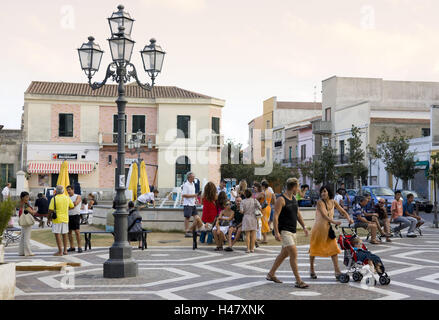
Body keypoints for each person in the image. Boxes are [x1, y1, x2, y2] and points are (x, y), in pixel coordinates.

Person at [266, 178, 309, 289]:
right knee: (294, 254)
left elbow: (298, 214)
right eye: (298, 187)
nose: (299, 189)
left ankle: (271, 274)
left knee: (284, 254)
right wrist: (276, 232)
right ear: (294, 187)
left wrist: (304, 227)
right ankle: (298, 281)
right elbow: (275, 217)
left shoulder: (294, 198)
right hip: (285, 231)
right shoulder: (281, 199)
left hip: (293, 231)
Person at [309, 185, 354, 281]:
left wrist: (349, 218)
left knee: (334, 249)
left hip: (328, 230)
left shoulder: (333, 202)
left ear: (329, 192)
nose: (323, 193)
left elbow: (343, 211)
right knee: (313, 250)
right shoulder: (320, 202)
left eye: (324, 191)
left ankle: (337, 271)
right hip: (318, 229)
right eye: (321, 192)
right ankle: (312, 270)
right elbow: (325, 216)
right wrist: (334, 222)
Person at [48, 185, 74, 256]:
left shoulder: (54, 199)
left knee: (57, 235)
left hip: (57, 219)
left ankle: (60, 251)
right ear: (63, 191)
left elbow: (50, 210)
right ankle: (65, 250)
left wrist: (48, 219)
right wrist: (66, 209)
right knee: (65, 235)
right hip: (65, 218)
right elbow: (72, 206)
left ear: (56, 191)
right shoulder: (67, 198)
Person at [240, 189, 261, 253]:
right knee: (253, 234)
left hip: (246, 218)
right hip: (253, 217)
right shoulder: (254, 200)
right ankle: (252, 249)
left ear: (245, 194)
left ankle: (248, 249)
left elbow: (241, 211)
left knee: (247, 235)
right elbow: (260, 207)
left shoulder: (243, 201)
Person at [18, 191, 37, 257]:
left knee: (23, 237)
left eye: (28, 197)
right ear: (23, 197)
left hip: (23, 221)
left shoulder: (20, 203)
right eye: (26, 197)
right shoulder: (26, 204)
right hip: (27, 222)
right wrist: (35, 210)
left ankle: (22, 252)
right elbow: (32, 212)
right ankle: (28, 252)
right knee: (26, 238)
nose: (28, 198)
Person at [182, 172, 199, 237]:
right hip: (187, 204)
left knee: (197, 217)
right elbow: (184, 195)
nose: (194, 178)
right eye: (193, 177)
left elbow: (193, 193)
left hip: (193, 203)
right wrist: (194, 195)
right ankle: (186, 231)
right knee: (187, 218)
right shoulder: (186, 185)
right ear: (189, 177)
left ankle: (193, 230)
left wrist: (196, 199)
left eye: (194, 177)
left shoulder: (193, 184)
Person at [66, 185, 82, 253]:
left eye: (69, 190)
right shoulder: (66, 198)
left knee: (77, 232)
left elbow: (76, 203)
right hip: (68, 216)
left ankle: (79, 247)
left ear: (73, 190)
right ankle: (72, 246)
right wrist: (70, 206)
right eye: (67, 190)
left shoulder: (77, 196)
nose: (68, 191)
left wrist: (69, 207)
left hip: (75, 215)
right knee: (69, 232)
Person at [261, 180, 274, 244]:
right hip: (269, 207)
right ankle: (265, 238)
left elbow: (260, 199)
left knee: (264, 223)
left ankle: (265, 239)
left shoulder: (264, 193)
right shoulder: (269, 192)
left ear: (263, 186)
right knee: (265, 222)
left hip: (264, 208)